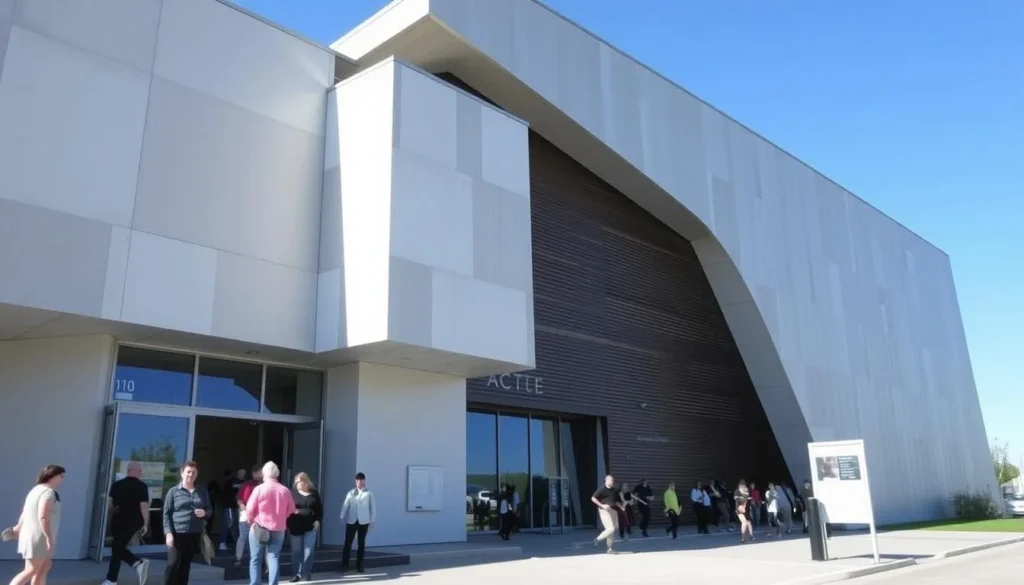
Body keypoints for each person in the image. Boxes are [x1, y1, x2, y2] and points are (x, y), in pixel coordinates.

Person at [5, 465, 65, 585]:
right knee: (32, 570)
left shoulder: (35, 490)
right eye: (61, 476)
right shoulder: (48, 493)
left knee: (43, 568)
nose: (62, 479)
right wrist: (49, 538)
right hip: (39, 538)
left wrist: (17, 528)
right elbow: (43, 516)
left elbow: (25, 513)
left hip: (32, 536)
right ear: (51, 476)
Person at [245, 461, 295, 585]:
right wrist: (282, 517)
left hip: (260, 527)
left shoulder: (259, 489)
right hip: (279, 528)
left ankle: (255, 583)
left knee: (255, 559)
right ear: (277, 474)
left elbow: (250, 508)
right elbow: (291, 509)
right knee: (273, 558)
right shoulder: (285, 490)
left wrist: (250, 520)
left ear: (264, 474)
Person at [163, 461, 212, 585]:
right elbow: (166, 514)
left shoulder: (202, 491)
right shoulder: (173, 491)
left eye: (194, 472)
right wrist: (168, 533)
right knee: (173, 565)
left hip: (193, 534)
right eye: (188, 472)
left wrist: (204, 513)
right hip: (177, 534)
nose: (191, 475)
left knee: (185, 566)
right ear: (182, 473)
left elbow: (210, 510)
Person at [102, 461, 151, 585]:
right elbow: (144, 505)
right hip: (133, 521)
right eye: (141, 471)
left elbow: (110, 504)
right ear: (138, 471)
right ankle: (136, 563)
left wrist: (111, 512)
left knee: (117, 547)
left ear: (128, 471)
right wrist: (146, 523)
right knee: (117, 547)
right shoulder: (142, 486)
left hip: (117, 519)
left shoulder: (116, 485)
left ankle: (112, 579)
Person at [287, 472, 323, 583]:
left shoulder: (314, 493)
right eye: (297, 483)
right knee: (296, 551)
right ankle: (296, 574)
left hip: (310, 525)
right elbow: (287, 508)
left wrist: (318, 520)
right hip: (295, 526)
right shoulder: (292, 493)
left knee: (309, 550)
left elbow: (320, 509)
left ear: (306, 482)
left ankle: (307, 572)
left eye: (301, 483)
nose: (299, 485)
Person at [339, 472, 376, 574]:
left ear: (364, 481)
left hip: (364, 521)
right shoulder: (350, 493)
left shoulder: (369, 493)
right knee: (348, 542)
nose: (359, 482)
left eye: (361, 480)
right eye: (357, 480)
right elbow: (345, 505)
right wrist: (342, 517)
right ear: (355, 481)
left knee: (361, 543)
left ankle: (359, 565)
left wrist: (372, 520)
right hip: (352, 520)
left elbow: (372, 507)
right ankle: (344, 564)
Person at [235, 465, 263, 567]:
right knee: (243, 535)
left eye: (258, 473)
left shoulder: (266, 485)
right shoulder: (247, 484)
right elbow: (239, 498)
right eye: (254, 473)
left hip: (260, 514)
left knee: (258, 537)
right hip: (246, 511)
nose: (256, 475)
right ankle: (238, 558)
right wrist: (242, 506)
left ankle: (256, 558)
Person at [590, 475, 618, 553]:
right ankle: (597, 539)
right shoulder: (602, 489)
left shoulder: (614, 490)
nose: (612, 481)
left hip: (612, 510)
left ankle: (609, 549)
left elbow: (616, 500)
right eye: (611, 480)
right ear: (606, 480)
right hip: (603, 511)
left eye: (613, 480)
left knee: (612, 530)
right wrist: (602, 505)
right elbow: (593, 498)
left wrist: (622, 506)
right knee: (610, 529)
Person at [221, 469, 246, 551]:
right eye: (241, 472)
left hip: (240, 507)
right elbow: (225, 493)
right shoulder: (230, 482)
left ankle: (237, 543)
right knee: (229, 522)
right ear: (237, 473)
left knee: (237, 525)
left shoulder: (246, 483)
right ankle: (222, 542)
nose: (242, 474)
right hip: (230, 506)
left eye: (244, 473)